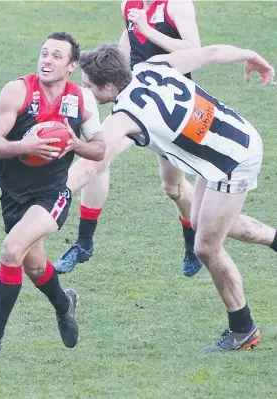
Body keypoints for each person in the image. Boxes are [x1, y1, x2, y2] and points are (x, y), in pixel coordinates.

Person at [60, 42, 276, 351]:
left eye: (89, 85)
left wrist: (52, 194)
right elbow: (210, 54)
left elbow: (89, 167)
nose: (86, 91)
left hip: (233, 162)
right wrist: (252, 55)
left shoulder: (123, 116)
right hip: (235, 138)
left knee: (205, 246)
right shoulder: (153, 66)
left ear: (109, 85)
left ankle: (243, 329)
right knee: (204, 222)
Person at [0, 32, 105, 362]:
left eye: (57, 56)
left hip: (52, 193)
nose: (47, 59)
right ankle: (64, 303)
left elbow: (99, 149)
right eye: (44, 53)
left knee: (12, 249)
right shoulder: (18, 90)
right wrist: (23, 147)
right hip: (14, 193)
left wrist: (76, 144)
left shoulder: (81, 101)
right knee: (33, 266)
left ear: (72, 65)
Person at [55, 0, 204, 277]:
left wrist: (149, 30)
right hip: (134, 106)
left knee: (173, 188)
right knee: (96, 157)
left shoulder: (177, 5)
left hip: (170, 113)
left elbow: (195, 50)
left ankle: (192, 242)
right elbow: (127, 46)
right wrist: (103, 73)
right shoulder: (129, 5)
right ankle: (82, 241)